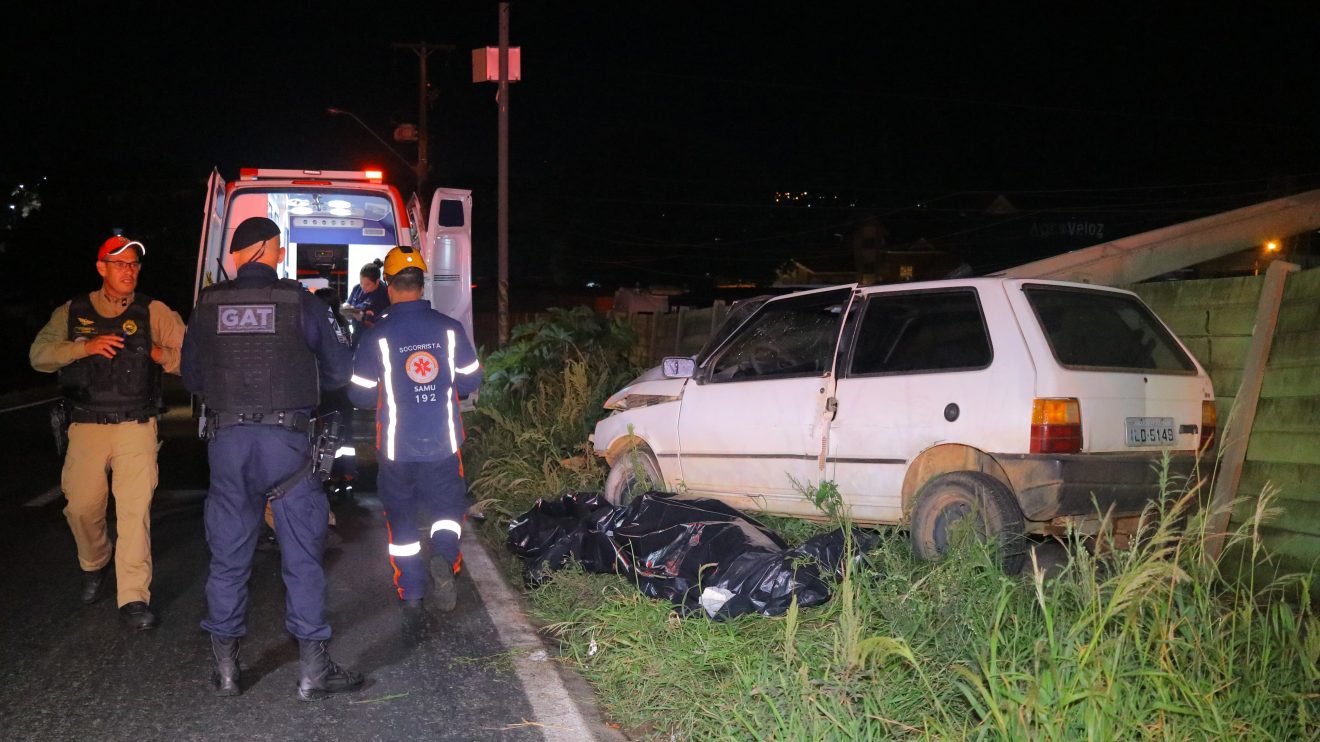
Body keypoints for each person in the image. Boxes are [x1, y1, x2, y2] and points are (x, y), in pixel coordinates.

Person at [182, 217, 364, 700]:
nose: (282, 255)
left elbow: (193, 376)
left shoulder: (206, 306)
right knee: (302, 559)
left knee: (227, 560)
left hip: (228, 444)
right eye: (279, 248)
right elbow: (340, 370)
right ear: (264, 249)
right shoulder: (299, 302)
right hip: (286, 445)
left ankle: (225, 668)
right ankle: (313, 672)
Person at [29, 235, 185, 630]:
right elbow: (39, 357)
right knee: (81, 508)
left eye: (134, 264)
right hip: (86, 425)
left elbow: (190, 359)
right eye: (120, 263)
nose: (129, 270)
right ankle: (95, 562)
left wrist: (157, 355)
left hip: (137, 425)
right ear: (102, 268)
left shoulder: (155, 311)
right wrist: (83, 347)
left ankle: (133, 597)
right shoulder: (72, 311)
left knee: (134, 514)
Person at [347, 245, 482, 617]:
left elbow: (359, 394)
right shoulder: (449, 329)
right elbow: (473, 379)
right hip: (443, 442)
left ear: (389, 286)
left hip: (396, 446)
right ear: (422, 285)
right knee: (448, 509)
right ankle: (442, 555)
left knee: (401, 516)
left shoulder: (378, 336)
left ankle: (411, 590)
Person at [345, 260, 389, 345]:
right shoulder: (357, 288)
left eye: (367, 284)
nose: (363, 287)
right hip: (357, 335)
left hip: (375, 340)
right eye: (361, 283)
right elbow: (345, 310)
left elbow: (377, 323)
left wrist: (355, 312)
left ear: (377, 281)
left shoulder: (384, 295)